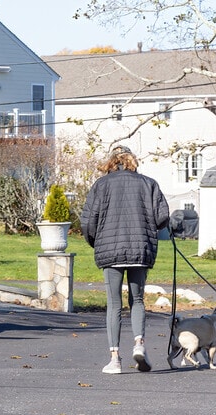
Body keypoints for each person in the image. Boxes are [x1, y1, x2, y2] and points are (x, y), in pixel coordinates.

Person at [80, 146, 170, 374]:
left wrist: (96, 241)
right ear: (133, 161)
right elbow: (162, 217)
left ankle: (115, 359)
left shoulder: (101, 185)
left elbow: (88, 221)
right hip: (141, 248)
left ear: (111, 162)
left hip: (110, 251)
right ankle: (139, 344)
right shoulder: (148, 183)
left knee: (114, 303)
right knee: (137, 299)